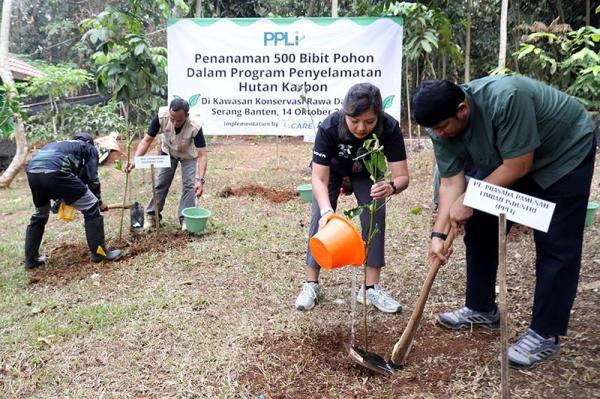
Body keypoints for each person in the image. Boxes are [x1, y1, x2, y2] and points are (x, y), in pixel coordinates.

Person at [411, 75, 597, 369]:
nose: (440, 135)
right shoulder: (440, 128)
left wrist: (469, 199)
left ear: (463, 109)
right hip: (509, 157)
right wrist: (438, 234)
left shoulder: (506, 99)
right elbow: (450, 183)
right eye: (435, 130)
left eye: (443, 127)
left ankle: (545, 334)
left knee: (556, 242)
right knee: (481, 222)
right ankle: (481, 307)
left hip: (563, 152)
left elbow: (518, 166)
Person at [295, 82, 410, 313]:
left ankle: (370, 289)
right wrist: (328, 211)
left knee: (375, 213)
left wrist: (391, 187)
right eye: (354, 121)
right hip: (332, 171)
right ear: (345, 113)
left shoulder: (389, 127)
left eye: (369, 122)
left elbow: (403, 176)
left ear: (379, 115)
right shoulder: (329, 126)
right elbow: (318, 179)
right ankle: (311, 284)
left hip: (366, 172)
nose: (360, 128)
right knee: (320, 216)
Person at [24, 132, 123, 268]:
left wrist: (61, 199)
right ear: (90, 143)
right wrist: (99, 202)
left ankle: (31, 259)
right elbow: (92, 178)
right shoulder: (88, 148)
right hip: (56, 172)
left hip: (33, 173)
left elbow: (74, 179)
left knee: (40, 214)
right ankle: (99, 253)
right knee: (91, 206)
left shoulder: (60, 145)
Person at [127, 98, 208, 231]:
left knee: (189, 186)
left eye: (179, 120)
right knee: (161, 183)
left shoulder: (195, 126)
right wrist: (136, 159)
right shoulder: (161, 116)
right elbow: (147, 140)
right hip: (168, 152)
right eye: (172, 119)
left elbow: (203, 155)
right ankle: (153, 217)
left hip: (188, 155)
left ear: (187, 115)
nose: (175, 123)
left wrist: (200, 180)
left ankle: (185, 220)